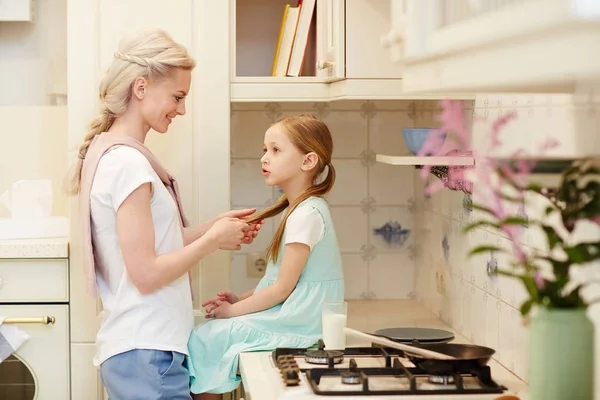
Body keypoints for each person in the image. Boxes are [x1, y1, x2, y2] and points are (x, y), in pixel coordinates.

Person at [67, 28, 262, 400]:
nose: (181, 109)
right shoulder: (127, 165)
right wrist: (211, 241)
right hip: (147, 351)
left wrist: (216, 229)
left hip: (141, 350)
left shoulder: (118, 157)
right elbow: (145, 273)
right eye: (177, 96)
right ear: (141, 88)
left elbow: (150, 247)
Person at [187, 115, 345, 399]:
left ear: (308, 161)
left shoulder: (306, 214)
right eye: (264, 149)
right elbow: (287, 283)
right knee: (208, 334)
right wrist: (241, 299)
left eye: (275, 150)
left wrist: (232, 312)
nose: (264, 158)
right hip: (298, 318)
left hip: (302, 325)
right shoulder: (301, 209)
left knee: (207, 337)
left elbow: (283, 289)